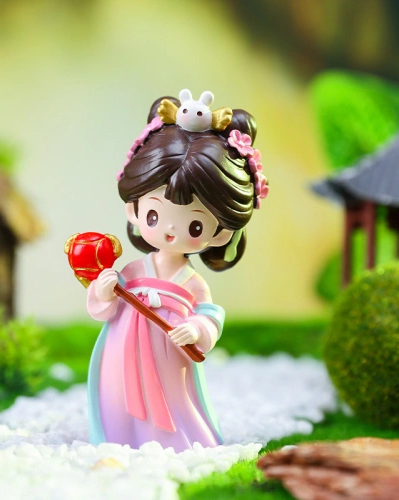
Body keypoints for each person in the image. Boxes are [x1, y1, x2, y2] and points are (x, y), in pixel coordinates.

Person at [86, 90, 268, 452]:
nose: (170, 231)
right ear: (134, 210)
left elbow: (209, 315)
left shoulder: (191, 282)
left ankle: (173, 443)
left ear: (221, 232)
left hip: (170, 360)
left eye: (194, 225)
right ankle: (120, 435)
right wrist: (104, 291)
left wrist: (197, 328)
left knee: (173, 402)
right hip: (123, 353)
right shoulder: (133, 270)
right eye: (154, 215)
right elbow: (104, 308)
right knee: (116, 394)